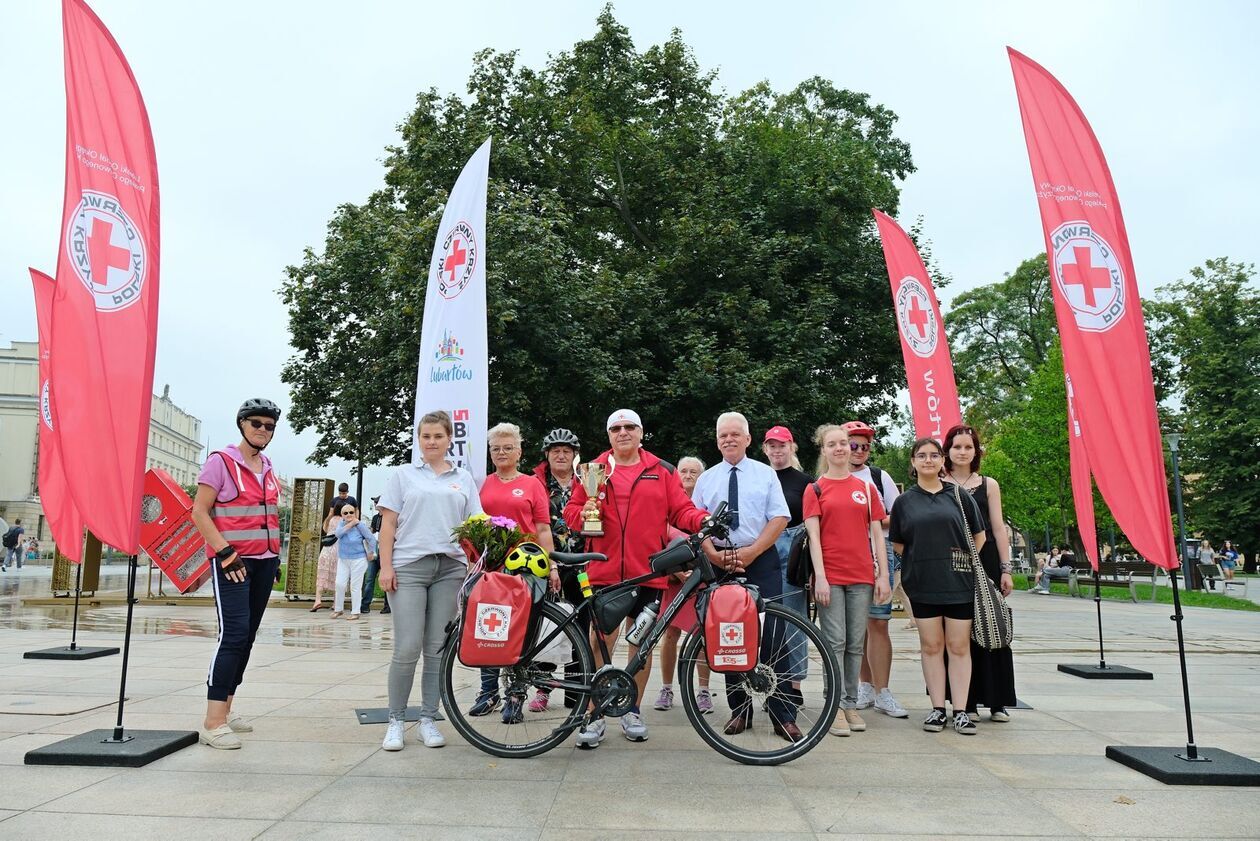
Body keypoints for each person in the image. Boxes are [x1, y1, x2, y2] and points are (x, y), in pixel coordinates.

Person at [564, 409, 707, 747]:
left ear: (641, 433)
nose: (623, 432)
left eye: (630, 427)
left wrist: (702, 519)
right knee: (600, 642)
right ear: (609, 435)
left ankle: (632, 709)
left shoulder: (660, 470)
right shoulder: (592, 470)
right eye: (616, 428)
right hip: (605, 570)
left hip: (648, 573)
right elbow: (571, 514)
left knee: (640, 645)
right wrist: (582, 514)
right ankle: (596, 714)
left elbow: (681, 509)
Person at [692, 412, 801, 743]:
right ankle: (739, 710)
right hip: (720, 561)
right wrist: (711, 553)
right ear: (717, 441)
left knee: (772, 634)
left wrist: (753, 551)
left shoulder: (765, 474)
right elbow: (695, 521)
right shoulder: (706, 479)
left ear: (748, 439)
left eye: (735, 434)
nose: (729, 440)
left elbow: (780, 517)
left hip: (760, 558)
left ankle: (783, 714)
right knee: (728, 633)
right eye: (723, 435)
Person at [378, 410, 483, 751]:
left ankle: (428, 718)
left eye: (439, 436)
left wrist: (474, 562)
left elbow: (475, 526)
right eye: (426, 436)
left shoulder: (463, 478)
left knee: (437, 650)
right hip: (408, 568)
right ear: (419, 440)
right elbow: (388, 526)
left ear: (449, 439)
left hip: (449, 570)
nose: (432, 442)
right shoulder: (403, 475)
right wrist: (386, 567)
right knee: (407, 647)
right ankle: (395, 720)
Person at [191, 398, 284, 750]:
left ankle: (226, 710)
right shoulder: (221, 462)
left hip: (264, 562)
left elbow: (267, 517)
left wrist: (272, 557)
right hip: (232, 562)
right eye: (257, 423)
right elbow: (199, 512)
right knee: (232, 634)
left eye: (269, 425)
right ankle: (212, 722)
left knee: (248, 637)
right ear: (242, 424)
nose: (263, 430)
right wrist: (226, 553)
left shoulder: (268, 466)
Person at [889, 437, 986, 736]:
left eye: (934, 455)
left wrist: (956, 562)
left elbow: (979, 537)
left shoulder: (958, 496)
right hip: (922, 583)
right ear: (913, 462)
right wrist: (924, 561)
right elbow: (898, 544)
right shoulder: (904, 502)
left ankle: (961, 711)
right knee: (931, 647)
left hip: (958, 582)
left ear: (943, 460)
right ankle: (936, 709)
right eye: (922, 455)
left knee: (958, 647)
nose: (928, 460)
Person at [803, 424, 889, 736]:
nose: (841, 449)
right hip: (832, 575)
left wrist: (883, 576)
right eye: (833, 444)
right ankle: (834, 705)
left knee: (855, 643)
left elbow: (877, 534)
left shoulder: (866, 489)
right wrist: (820, 578)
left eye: (845, 444)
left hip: (862, 575)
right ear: (824, 451)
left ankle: (850, 702)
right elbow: (814, 537)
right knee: (834, 642)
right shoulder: (815, 489)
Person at [472, 422, 557, 720]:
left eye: (508, 447)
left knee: (520, 634)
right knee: (489, 630)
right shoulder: (482, 483)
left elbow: (543, 529)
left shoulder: (533, 484)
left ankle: (515, 696)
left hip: (526, 570)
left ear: (519, 451)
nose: (502, 453)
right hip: (492, 569)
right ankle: (488, 692)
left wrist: (552, 564)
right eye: (496, 448)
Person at [943, 424, 1016, 723]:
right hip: (950, 562)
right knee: (959, 631)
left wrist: (1005, 568)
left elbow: (998, 528)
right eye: (957, 446)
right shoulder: (939, 480)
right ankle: (966, 701)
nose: (962, 452)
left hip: (983, 559)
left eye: (968, 447)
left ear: (976, 451)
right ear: (947, 450)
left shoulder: (989, 484)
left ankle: (997, 701)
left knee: (991, 624)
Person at [842, 420, 909, 719]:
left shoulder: (880, 478)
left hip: (878, 555)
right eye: (852, 445)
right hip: (845, 557)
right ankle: (864, 684)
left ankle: (883, 690)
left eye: (863, 446)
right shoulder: (830, 477)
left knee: (878, 623)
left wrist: (870, 520)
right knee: (856, 627)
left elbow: (898, 516)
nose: (857, 451)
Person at [532, 427, 586, 709]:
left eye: (567, 451)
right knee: (548, 627)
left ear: (575, 455)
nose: (561, 456)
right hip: (549, 564)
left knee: (583, 624)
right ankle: (542, 688)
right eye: (556, 451)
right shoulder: (537, 484)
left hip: (582, 565)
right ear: (547, 455)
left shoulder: (587, 482)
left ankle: (575, 690)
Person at [655, 456, 713, 714]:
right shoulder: (667, 501)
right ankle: (666, 688)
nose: (688, 475)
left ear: (702, 476)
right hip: (673, 578)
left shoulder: (705, 502)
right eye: (684, 471)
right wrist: (679, 572)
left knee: (703, 635)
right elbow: (658, 534)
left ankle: (703, 691)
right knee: (670, 634)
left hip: (700, 576)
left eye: (694, 471)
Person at [761, 426, 813, 711]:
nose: (777, 451)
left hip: (794, 548)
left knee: (794, 618)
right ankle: (769, 683)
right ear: (765, 449)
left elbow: (814, 523)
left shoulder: (805, 482)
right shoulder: (759, 476)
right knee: (766, 621)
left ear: (791, 447)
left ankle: (793, 685)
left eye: (782, 445)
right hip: (764, 547)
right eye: (772, 446)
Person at [331, 503, 376, 619]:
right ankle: (338, 609)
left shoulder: (360, 525)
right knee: (339, 584)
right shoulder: (341, 524)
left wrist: (371, 552)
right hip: (343, 558)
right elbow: (338, 534)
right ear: (342, 515)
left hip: (359, 559)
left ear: (355, 513)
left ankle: (355, 612)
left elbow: (371, 539)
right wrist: (350, 524)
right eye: (345, 513)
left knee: (355, 586)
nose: (349, 514)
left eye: (351, 512)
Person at [362, 496, 390, 614]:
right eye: (374, 502)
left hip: (385, 550)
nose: (375, 504)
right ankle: (365, 605)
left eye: (377, 502)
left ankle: (387, 606)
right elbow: (372, 531)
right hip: (375, 550)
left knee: (386, 579)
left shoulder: (389, 517)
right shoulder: (375, 517)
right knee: (369, 578)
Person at [309, 510, 339, 612]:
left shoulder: (330, 519)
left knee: (321, 575)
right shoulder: (344, 520)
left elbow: (325, 529)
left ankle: (317, 600)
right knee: (337, 576)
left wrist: (329, 515)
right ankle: (336, 603)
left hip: (326, 550)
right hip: (337, 551)